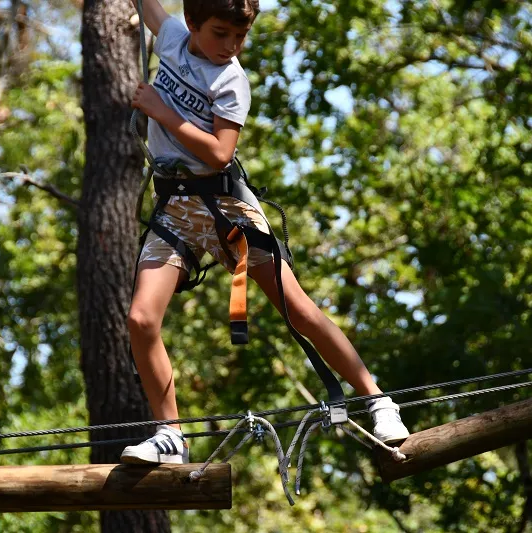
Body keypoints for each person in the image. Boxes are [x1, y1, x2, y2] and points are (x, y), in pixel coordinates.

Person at [120, 0, 409, 465]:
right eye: (221, 34)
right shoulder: (172, 37)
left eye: (241, 36)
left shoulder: (231, 79)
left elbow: (218, 152)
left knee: (297, 308)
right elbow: (149, 6)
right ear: (192, 22)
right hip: (175, 206)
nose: (231, 46)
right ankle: (170, 433)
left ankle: (377, 399)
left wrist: (161, 110)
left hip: (225, 206)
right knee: (140, 320)